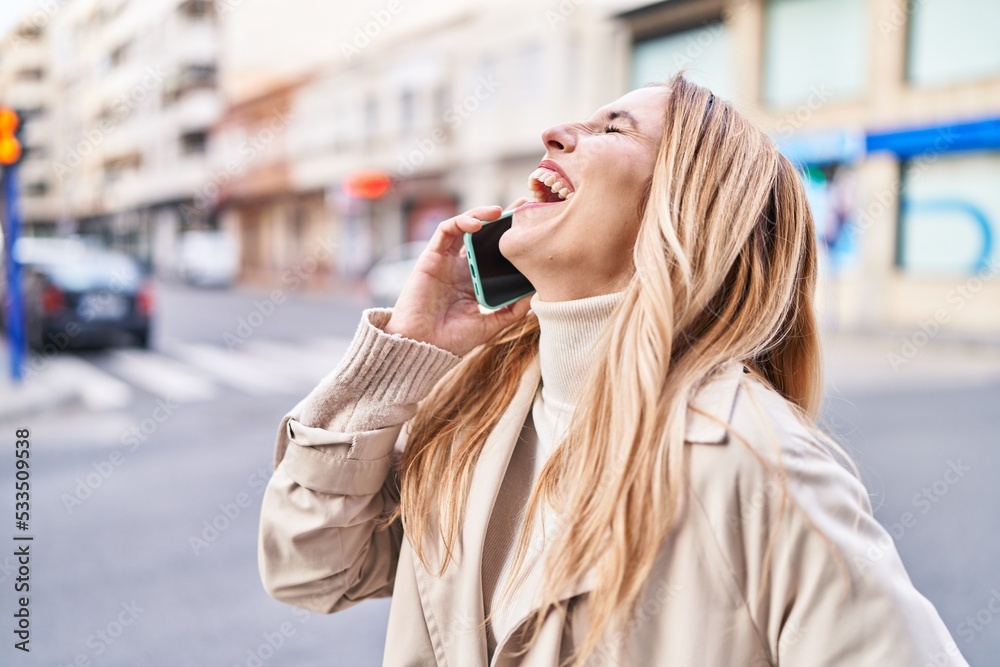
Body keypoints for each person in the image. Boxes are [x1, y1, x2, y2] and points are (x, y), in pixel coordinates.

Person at [257, 73, 967, 666]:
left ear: (680, 212)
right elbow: (310, 566)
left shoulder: (757, 461)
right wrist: (406, 353)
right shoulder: (475, 410)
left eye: (614, 129)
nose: (558, 132)